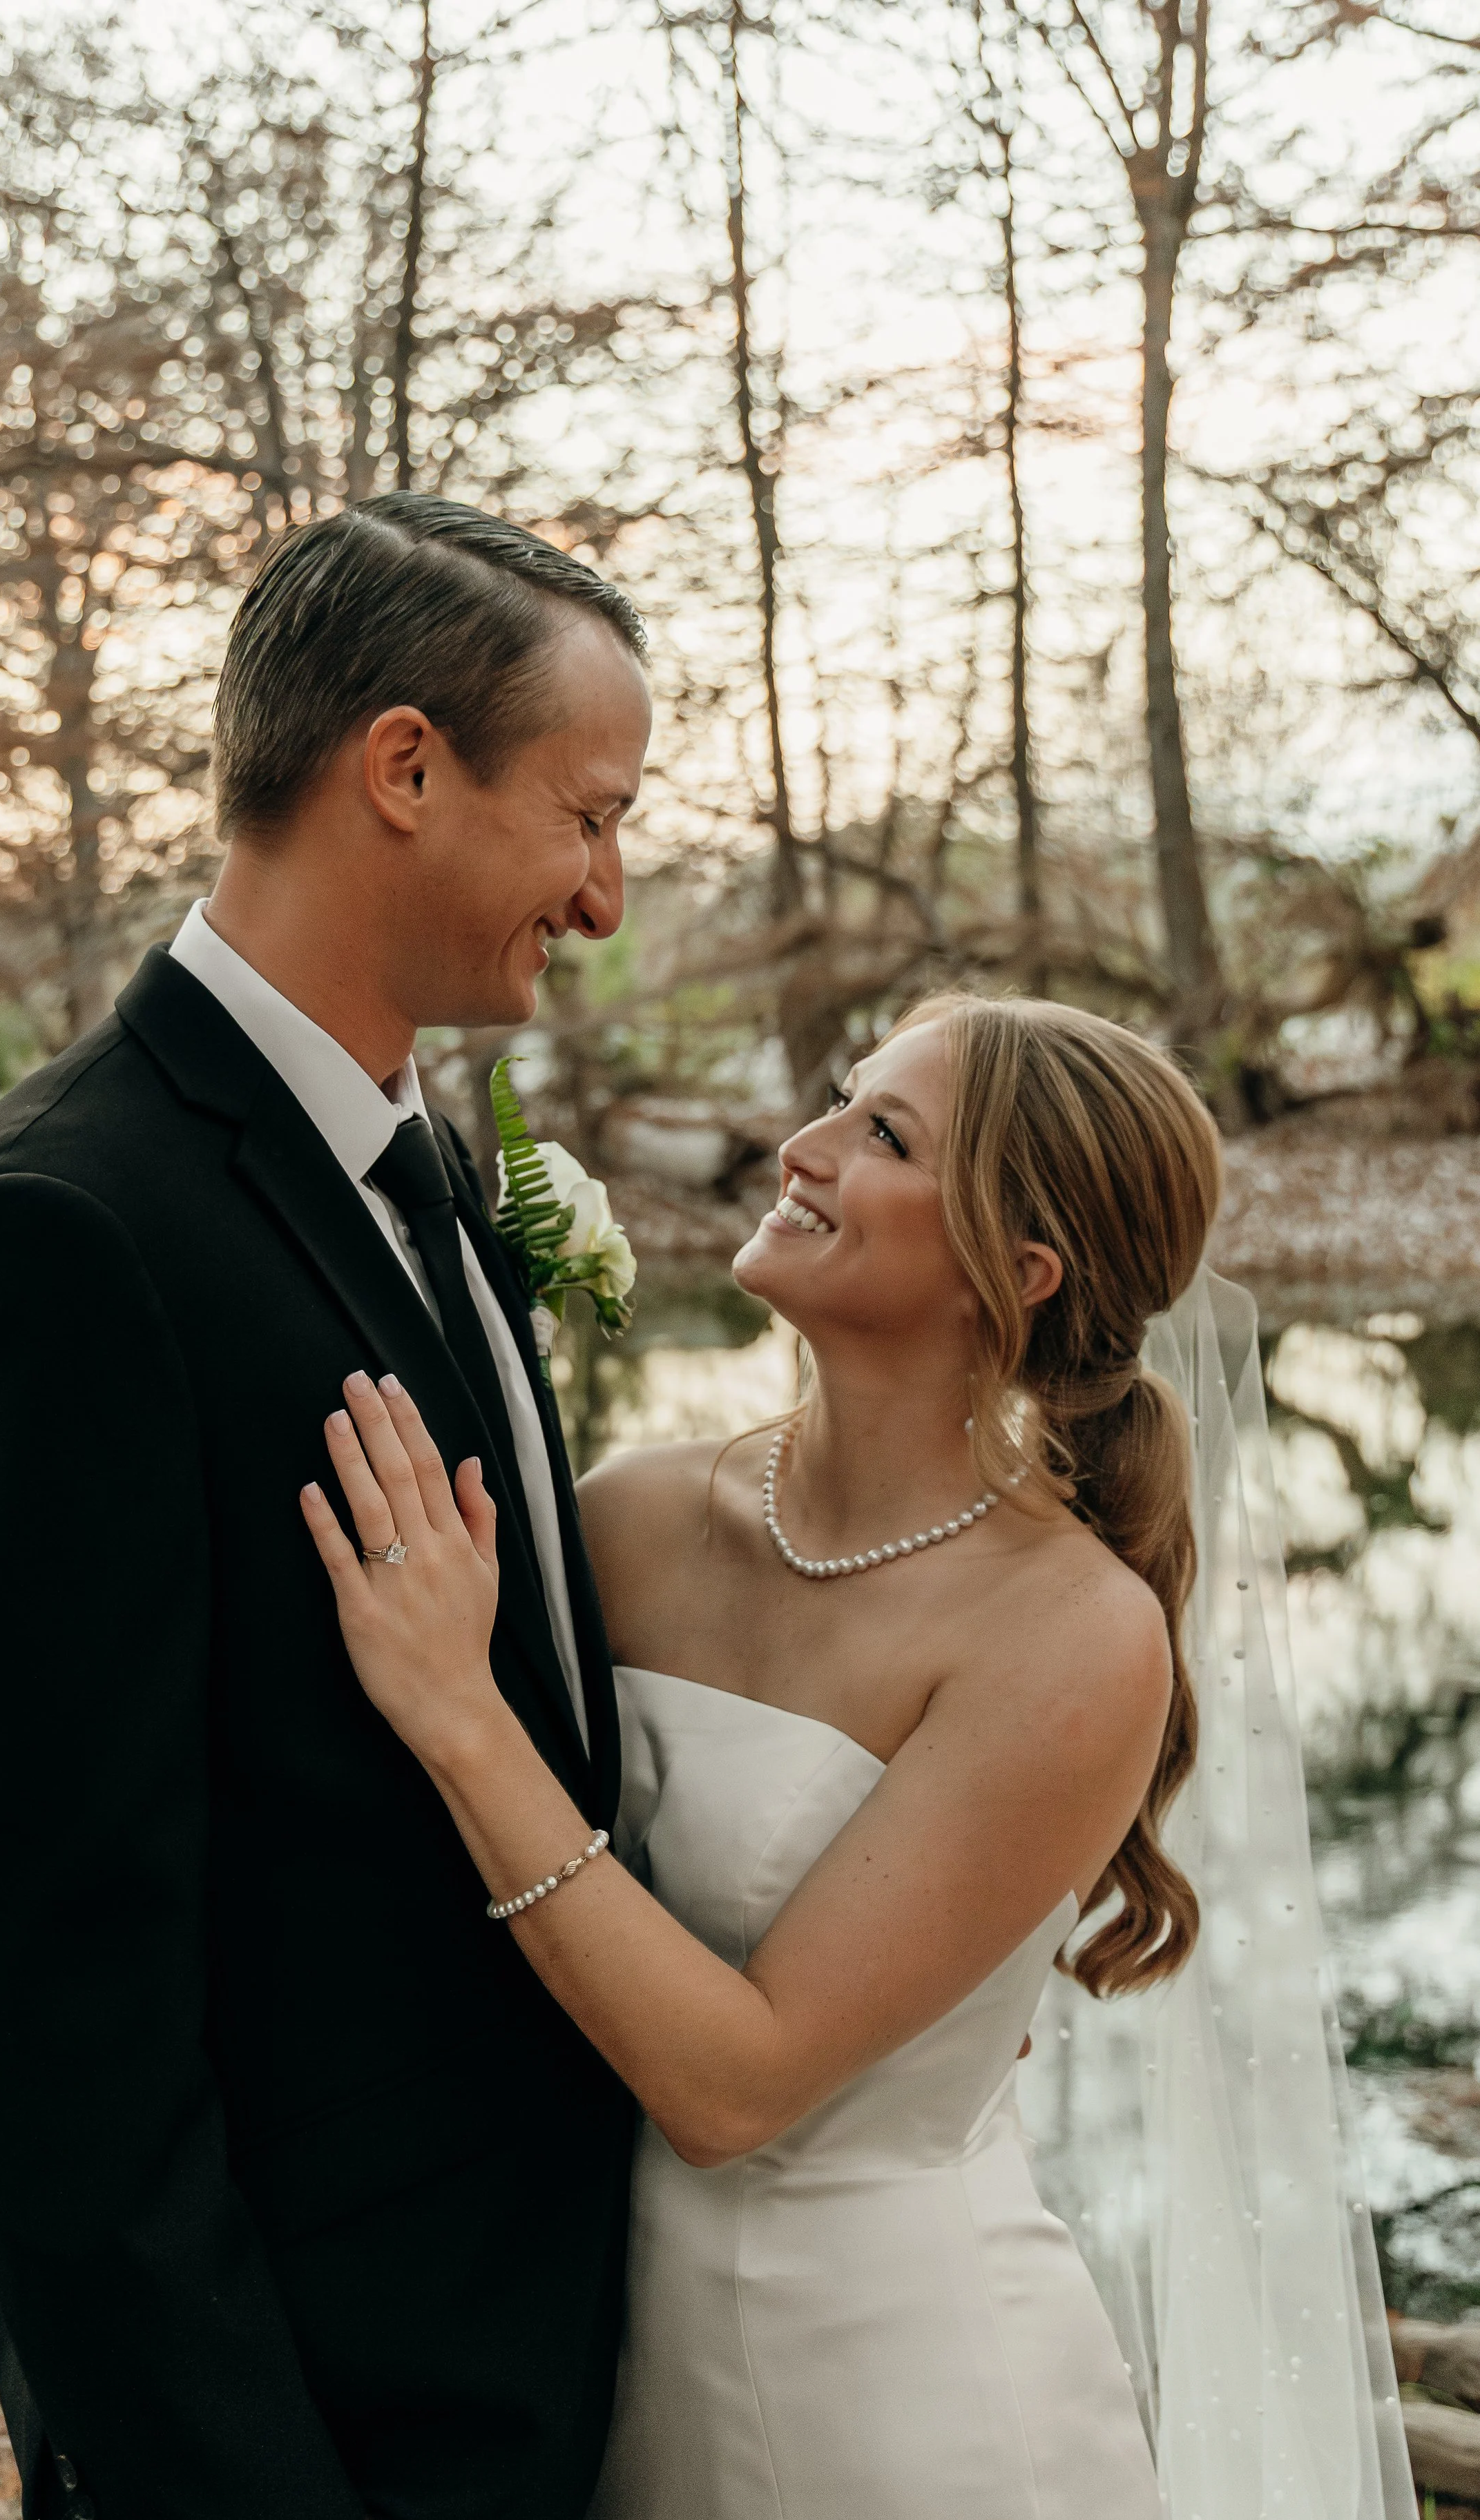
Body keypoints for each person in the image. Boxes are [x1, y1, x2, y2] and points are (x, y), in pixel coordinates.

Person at [0, 494, 654, 2520]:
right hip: (307, 2434)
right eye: (585, 814)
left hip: (528, 2383)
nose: (605, 895)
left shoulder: (434, 1173)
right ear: (400, 768)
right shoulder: (58, 1237)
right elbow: (42, 2019)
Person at [299, 991, 1220, 2518]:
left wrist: (459, 1715)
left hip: (896, 2400)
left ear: (1019, 1266)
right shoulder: (631, 1518)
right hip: (602, 2353)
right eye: (839, 1101)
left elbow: (734, 2091)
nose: (796, 1149)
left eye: (881, 1134)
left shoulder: (1068, 1635)